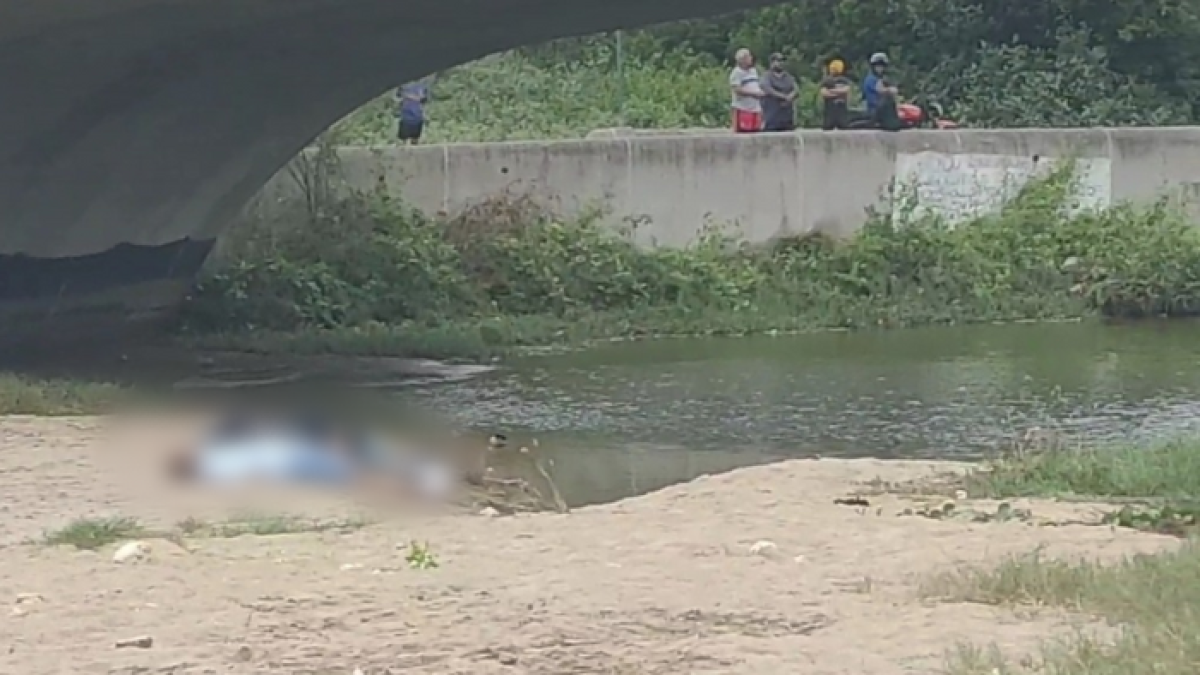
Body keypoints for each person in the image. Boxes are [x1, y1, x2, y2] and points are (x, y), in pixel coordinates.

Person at [861, 52, 902, 131]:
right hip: (874, 110)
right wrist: (889, 90)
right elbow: (880, 90)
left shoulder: (883, 79)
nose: (880, 68)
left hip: (881, 110)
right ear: (873, 67)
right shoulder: (870, 79)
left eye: (882, 66)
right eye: (877, 66)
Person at [729, 48, 764, 133]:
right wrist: (753, 94)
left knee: (756, 131)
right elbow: (737, 90)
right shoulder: (736, 73)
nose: (751, 58)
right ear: (743, 59)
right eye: (749, 56)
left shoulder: (753, 71)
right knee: (743, 132)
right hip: (742, 108)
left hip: (755, 108)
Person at [760, 53, 798, 132]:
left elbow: (796, 89)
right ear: (772, 63)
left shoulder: (788, 76)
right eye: (778, 61)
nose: (781, 63)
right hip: (772, 117)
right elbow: (767, 88)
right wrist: (783, 96)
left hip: (787, 118)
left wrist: (791, 96)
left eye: (782, 61)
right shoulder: (766, 76)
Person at [819, 59, 853, 130]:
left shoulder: (844, 80)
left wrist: (831, 91)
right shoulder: (827, 80)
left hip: (841, 110)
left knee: (844, 129)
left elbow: (846, 90)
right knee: (827, 129)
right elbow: (824, 93)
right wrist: (838, 94)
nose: (833, 70)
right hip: (829, 110)